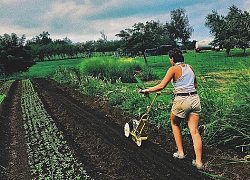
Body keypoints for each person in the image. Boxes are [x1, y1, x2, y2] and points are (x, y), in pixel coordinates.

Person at [140, 48, 203, 169]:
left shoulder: (173, 69)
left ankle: (181, 152)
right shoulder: (190, 68)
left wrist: (146, 90)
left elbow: (161, 86)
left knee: (174, 123)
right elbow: (195, 85)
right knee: (194, 131)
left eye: (170, 59)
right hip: (195, 99)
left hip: (182, 101)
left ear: (172, 59)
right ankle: (199, 162)